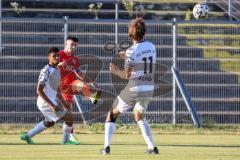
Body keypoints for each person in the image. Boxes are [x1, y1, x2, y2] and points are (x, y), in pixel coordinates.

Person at [100, 18, 159, 155]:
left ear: (130, 34)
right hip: (149, 88)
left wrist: (115, 71)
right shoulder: (151, 46)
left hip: (135, 87)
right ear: (144, 32)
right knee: (139, 115)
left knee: (111, 115)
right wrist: (125, 54)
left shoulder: (131, 51)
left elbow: (126, 75)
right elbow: (139, 55)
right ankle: (152, 148)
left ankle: (106, 148)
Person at [20, 47, 75, 145]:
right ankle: (65, 141)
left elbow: (56, 89)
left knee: (50, 122)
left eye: (58, 56)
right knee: (69, 118)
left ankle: (27, 136)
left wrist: (63, 102)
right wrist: (52, 105)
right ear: (49, 58)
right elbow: (39, 91)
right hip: (45, 102)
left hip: (50, 101)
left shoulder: (57, 70)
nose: (57, 58)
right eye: (54, 56)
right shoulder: (45, 71)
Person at [58, 36, 102, 144]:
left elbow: (79, 73)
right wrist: (60, 64)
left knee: (80, 84)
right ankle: (68, 137)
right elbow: (52, 65)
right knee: (69, 113)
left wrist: (91, 81)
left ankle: (92, 96)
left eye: (75, 45)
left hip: (73, 84)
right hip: (63, 86)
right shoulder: (59, 55)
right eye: (71, 44)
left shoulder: (75, 60)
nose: (73, 47)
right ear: (66, 43)